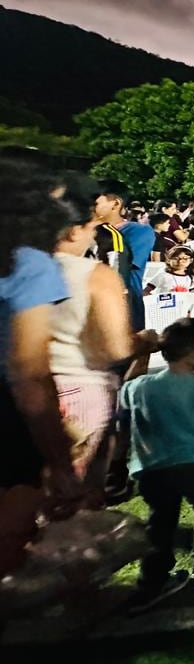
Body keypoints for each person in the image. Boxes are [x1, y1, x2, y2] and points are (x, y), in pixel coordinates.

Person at [118, 317, 194, 613]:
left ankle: (153, 578)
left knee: (160, 521)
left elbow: (124, 393)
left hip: (152, 467)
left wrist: (141, 354)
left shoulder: (140, 387)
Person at [0, 159, 79, 573]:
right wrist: (60, 462)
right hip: (7, 415)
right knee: (11, 539)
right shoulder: (28, 263)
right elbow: (28, 371)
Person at [49, 194, 140, 494]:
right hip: (80, 385)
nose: (92, 236)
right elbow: (115, 347)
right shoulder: (93, 275)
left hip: (26, 388)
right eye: (90, 229)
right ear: (75, 230)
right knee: (78, 494)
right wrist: (146, 343)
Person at [93, 191, 153, 331]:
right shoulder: (91, 231)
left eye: (96, 202)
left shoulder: (138, 231)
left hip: (127, 306)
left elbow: (123, 266)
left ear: (116, 203)